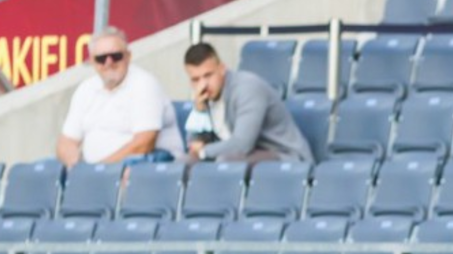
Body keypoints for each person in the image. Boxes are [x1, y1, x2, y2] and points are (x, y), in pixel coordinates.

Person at [56, 27, 183, 168]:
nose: (109, 62)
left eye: (116, 56)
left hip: (146, 167)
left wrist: (100, 169)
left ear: (128, 56)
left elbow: (144, 144)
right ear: (92, 61)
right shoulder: (85, 89)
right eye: (101, 58)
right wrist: (77, 166)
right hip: (96, 172)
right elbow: (66, 142)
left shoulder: (144, 84)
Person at [182, 42, 313, 164]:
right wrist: (199, 111)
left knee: (226, 161)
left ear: (222, 69)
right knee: (185, 162)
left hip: (285, 156)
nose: (203, 85)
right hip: (247, 156)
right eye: (195, 79)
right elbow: (193, 146)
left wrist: (204, 151)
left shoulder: (247, 88)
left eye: (208, 75)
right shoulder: (205, 96)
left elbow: (242, 145)